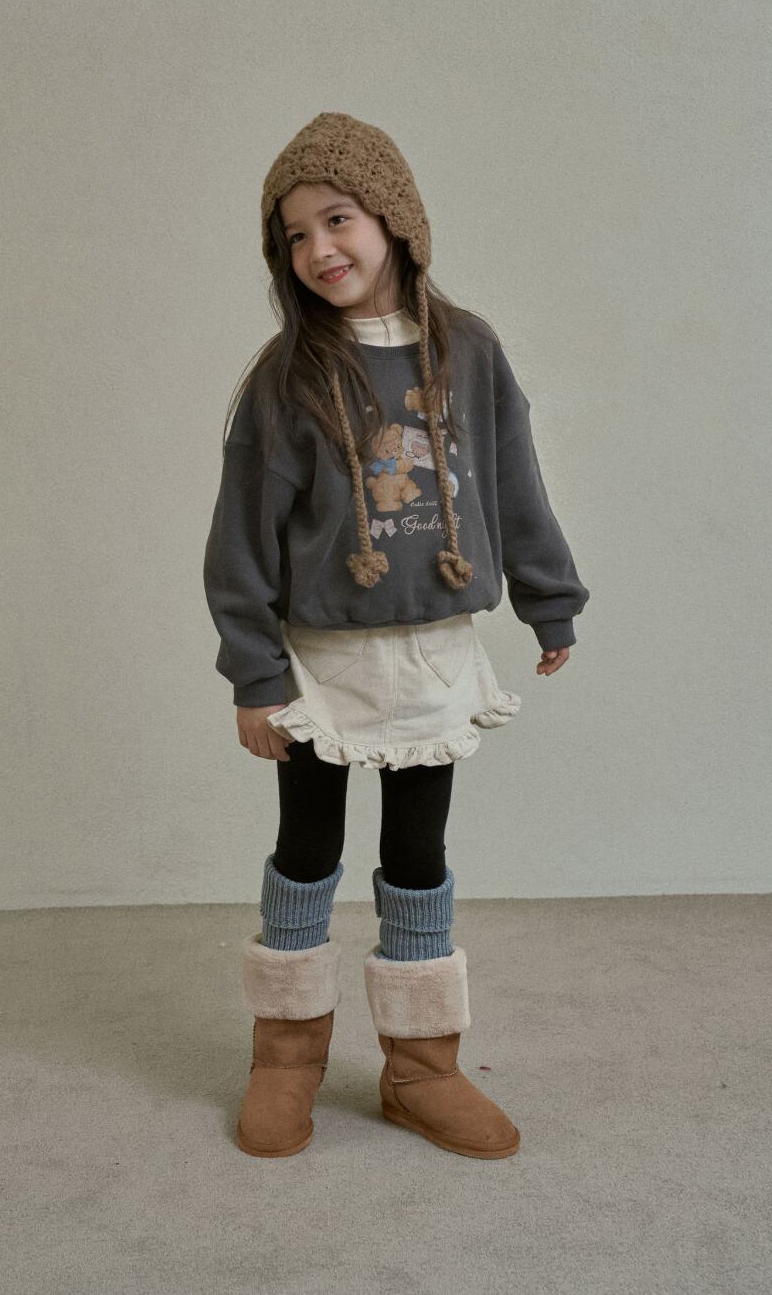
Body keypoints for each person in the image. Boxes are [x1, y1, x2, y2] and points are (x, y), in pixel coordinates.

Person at [203, 111, 590, 1159]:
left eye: (338, 219)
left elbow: (512, 480)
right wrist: (254, 675)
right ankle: (287, 1057)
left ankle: (422, 1069)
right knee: (308, 849)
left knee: (418, 855)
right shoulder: (286, 376)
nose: (318, 248)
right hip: (322, 661)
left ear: (394, 218)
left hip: (432, 656)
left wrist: (548, 599)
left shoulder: (469, 351)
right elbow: (240, 536)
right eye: (294, 235)